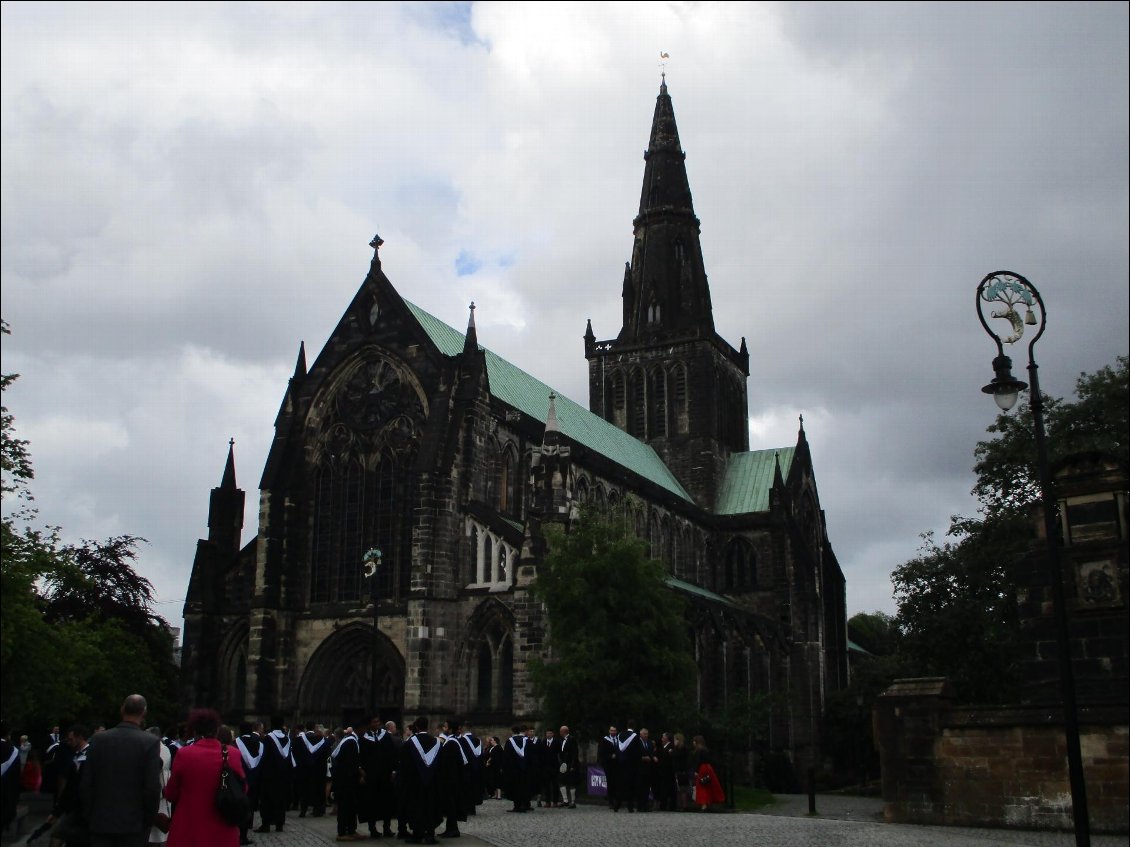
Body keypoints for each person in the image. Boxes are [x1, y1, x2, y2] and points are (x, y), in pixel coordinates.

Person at [80, 694, 162, 847]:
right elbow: (151, 787)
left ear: (122, 709)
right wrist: (149, 818)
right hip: (134, 822)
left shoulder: (98, 739)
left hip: (100, 819)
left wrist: (89, 814)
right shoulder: (149, 742)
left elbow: (87, 782)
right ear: (144, 712)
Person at [163, 709, 245, 847]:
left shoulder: (185, 754)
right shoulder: (233, 754)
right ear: (216, 730)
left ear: (194, 731)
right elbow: (243, 788)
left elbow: (171, 793)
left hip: (189, 827)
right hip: (223, 828)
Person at [398, 718, 441, 844]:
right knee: (430, 806)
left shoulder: (410, 743)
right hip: (432, 783)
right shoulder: (437, 743)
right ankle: (430, 834)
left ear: (416, 727)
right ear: (427, 727)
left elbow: (404, 765)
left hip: (414, 783)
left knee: (416, 806)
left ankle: (417, 834)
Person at [256, 721, 292, 833]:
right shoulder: (287, 739)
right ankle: (279, 824)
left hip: (270, 774)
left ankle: (266, 824)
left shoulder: (268, 738)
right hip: (283, 774)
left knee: (267, 799)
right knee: (281, 799)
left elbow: (264, 756)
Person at [235, 722, 264, 845]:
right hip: (254, 782)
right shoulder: (260, 745)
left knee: (237, 807)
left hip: (239, 782)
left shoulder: (235, 743)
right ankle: (244, 836)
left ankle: (235, 834)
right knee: (250, 808)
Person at [329, 727, 361, 842]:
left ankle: (351, 830)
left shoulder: (349, 741)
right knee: (344, 807)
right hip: (345, 782)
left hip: (345, 780)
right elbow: (350, 763)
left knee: (351, 807)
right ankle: (342, 832)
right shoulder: (350, 742)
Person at [145, 727, 172, 846]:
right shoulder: (162, 748)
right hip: (160, 789)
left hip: (158, 791)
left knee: (157, 824)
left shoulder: (160, 749)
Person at [690, 735, 725, 811]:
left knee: (701, 786)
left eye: (694, 741)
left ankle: (704, 804)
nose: (693, 743)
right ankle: (707, 803)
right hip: (708, 768)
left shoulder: (699, 750)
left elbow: (698, 761)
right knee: (707, 785)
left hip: (702, 768)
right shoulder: (705, 749)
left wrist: (696, 771)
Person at [654, 732, 677, 811]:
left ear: (667, 738)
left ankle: (670, 805)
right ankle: (663, 804)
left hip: (668, 772)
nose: (662, 739)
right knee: (663, 788)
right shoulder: (662, 747)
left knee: (669, 789)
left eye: (663, 737)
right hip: (662, 771)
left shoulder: (671, 747)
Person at [597, 726, 618, 810]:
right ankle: (611, 801)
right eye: (611, 730)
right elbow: (602, 753)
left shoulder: (618, 739)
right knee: (610, 782)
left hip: (617, 764)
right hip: (608, 764)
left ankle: (617, 800)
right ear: (609, 731)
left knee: (616, 783)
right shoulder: (605, 740)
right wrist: (610, 756)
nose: (613, 732)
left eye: (614, 731)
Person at [557, 726, 578, 808]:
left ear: (564, 732)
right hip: (563, 764)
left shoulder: (572, 740)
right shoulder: (561, 740)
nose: (560, 733)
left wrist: (573, 765)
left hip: (570, 764)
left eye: (561, 731)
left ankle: (572, 802)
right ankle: (565, 800)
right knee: (561, 781)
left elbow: (574, 753)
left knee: (571, 782)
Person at [540, 728, 560, 808]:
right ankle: (547, 802)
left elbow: (559, 754)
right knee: (546, 785)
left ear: (553, 734)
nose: (548, 735)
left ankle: (555, 802)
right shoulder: (543, 742)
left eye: (550, 733)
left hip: (554, 767)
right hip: (545, 767)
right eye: (547, 733)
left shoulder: (557, 742)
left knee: (555, 785)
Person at [671, 733, 691, 810]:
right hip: (678, 770)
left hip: (682, 771)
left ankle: (684, 805)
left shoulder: (682, 749)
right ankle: (680, 805)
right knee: (679, 789)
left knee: (682, 789)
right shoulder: (677, 748)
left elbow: (679, 757)